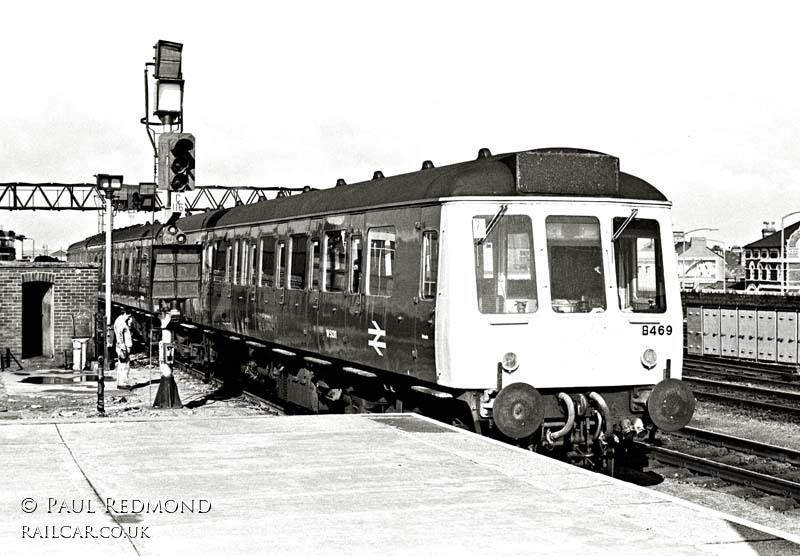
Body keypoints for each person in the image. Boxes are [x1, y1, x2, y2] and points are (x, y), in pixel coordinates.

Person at [113, 312, 134, 389]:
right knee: (124, 365)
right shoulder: (121, 322)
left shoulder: (120, 321)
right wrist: (123, 348)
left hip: (123, 346)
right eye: (130, 317)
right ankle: (123, 383)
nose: (131, 319)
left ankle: (121, 382)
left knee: (122, 365)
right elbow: (120, 336)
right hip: (123, 347)